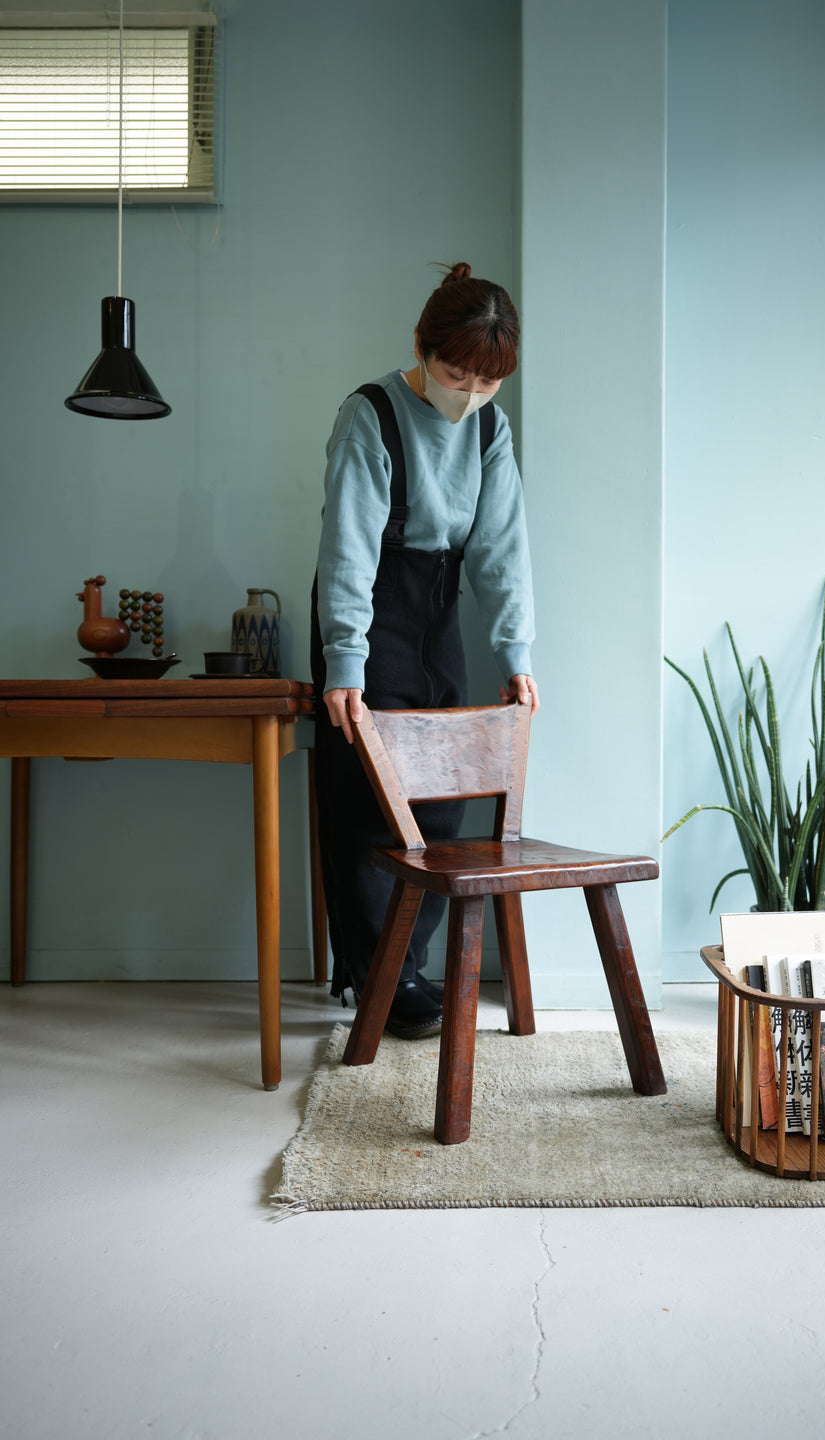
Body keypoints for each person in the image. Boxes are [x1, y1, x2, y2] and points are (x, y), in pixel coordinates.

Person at [311, 261, 538, 1039]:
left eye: (486, 381)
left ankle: (409, 965)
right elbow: (346, 548)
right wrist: (346, 661)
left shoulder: (489, 430)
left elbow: (503, 549)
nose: (468, 393)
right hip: (369, 610)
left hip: (439, 611)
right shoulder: (370, 414)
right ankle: (378, 974)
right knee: (366, 804)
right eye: (455, 372)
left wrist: (516, 654)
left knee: (444, 803)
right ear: (422, 345)